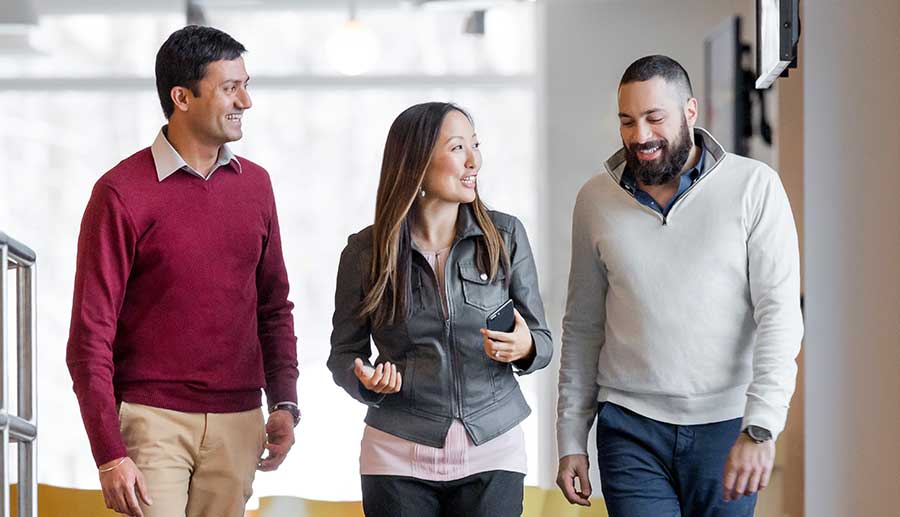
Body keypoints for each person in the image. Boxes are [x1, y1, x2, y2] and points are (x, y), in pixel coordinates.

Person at [66, 25, 300, 517]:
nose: (246, 102)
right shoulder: (121, 193)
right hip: (152, 420)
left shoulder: (256, 186)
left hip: (240, 420)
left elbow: (273, 306)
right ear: (182, 97)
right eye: (230, 88)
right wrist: (109, 453)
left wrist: (285, 401)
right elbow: (89, 338)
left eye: (246, 85)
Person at [555, 55, 803, 516]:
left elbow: (781, 316)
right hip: (629, 429)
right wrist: (571, 437)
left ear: (690, 111)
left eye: (654, 118)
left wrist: (761, 427)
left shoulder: (755, 187)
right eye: (627, 121)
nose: (640, 135)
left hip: (726, 426)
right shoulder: (594, 200)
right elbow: (583, 326)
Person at [328, 102, 552, 517]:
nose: (474, 160)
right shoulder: (364, 253)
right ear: (416, 162)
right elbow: (343, 354)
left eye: (475, 145)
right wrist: (365, 381)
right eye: (457, 148)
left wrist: (524, 347)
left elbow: (541, 338)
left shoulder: (505, 236)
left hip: (492, 450)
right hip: (396, 456)